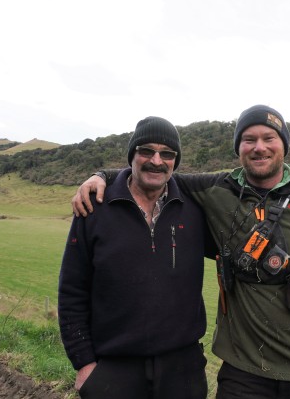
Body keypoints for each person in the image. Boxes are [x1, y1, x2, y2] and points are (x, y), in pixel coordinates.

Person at [73, 105, 290, 399]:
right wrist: (100, 176)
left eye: (268, 137)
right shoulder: (216, 189)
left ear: (283, 143)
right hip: (243, 373)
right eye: (248, 139)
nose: (259, 147)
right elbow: (154, 172)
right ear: (238, 148)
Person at [58, 116, 217, 399]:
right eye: (147, 151)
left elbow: (237, 249)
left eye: (167, 154)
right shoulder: (94, 208)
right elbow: (72, 289)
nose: (156, 160)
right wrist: (84, 364)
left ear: (175, 162)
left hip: (183, 371)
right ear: (132, 155)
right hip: (113, 371)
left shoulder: (194, 209)